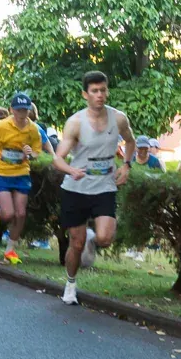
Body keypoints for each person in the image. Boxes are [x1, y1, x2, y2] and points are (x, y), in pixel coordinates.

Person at [52, 70, 137, 304]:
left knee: (105, 238)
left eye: (103, 90)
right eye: (94, 91)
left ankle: (93, 237)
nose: (100, 95)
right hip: (76, 188)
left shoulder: (118, 118)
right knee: (75, 244)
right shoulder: (75, 123)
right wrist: (71, 170)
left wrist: (127, 165)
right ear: (85, 94)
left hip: (104, 187)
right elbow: (58, 158)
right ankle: (70, 284)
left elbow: (130, 141)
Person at [0, 91, 42, 265]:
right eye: (19, 109)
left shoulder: (32, 129)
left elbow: (37, 151)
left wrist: (31, 153)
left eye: (25, 110)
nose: (22, 113)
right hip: (1, 172)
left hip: (21, 172)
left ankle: (10, 251)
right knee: (8, 215)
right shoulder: (0, 127)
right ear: (12, 110)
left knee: (20, 214)